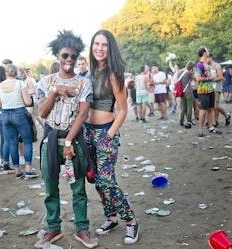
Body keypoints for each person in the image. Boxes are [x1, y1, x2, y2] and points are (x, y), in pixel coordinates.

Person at [35, 30, 97, 249]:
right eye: (65, 56)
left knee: (78, 188)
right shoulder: (45, 81)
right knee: (50, 186)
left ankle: (82, 229)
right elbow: (42, 113)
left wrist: (69, 142)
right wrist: (55, 92)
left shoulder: (84, 83)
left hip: (74, 142)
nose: (69, 60)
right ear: (57, 56)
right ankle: (53, 228)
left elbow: (82, 115)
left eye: (73, 56)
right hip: (50, 141)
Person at [85, 29, 140, 245]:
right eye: (96, 44)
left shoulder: (114, 74)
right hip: (87, 133)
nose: (99, 48)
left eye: (104, 45)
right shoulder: (88, 73)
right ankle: (111, 218)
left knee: (107, 181)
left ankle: (131, 221)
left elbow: (123, 111)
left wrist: (108, 135)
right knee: (96, 181)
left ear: (110, 49)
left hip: (105, 132)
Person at [0, 64, 38, 179]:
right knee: (27, 141)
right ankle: (28, 170)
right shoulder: (20, 83)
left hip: (5, 115)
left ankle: (17, 171)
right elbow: (28, 102)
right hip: (19, 113)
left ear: (6, 73)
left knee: (13, 142)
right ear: (16, 73)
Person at [195, 46, 222, 137]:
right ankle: (200, 129)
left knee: (211, 109)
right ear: (204, 53)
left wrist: (211, 78)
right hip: (203, 91)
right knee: (203, 109)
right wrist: (208, 78)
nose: (208, 52)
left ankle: (211, 127)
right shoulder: (200, 65)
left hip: (210, 89)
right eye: (207, 51)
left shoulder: (208, 65)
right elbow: (198, 78)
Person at [207, 54, 231, 127]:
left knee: (215, 106)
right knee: (212, 106)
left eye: (207, 58)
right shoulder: (206, 66)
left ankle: (226, 115)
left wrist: (211, 80)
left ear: (210, 58)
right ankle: (215, 121)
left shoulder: (216, 65)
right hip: (209, 88)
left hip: (216, 88)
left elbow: (220, 77)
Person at [178, 61, 195, 126]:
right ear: (191, 67)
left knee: (183, 107)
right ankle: (189, 120)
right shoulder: (189, 72)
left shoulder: (179, 72)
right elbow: (195, 78)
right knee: (189, 107)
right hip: (189, 92)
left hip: (182, 92)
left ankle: (181, 121)